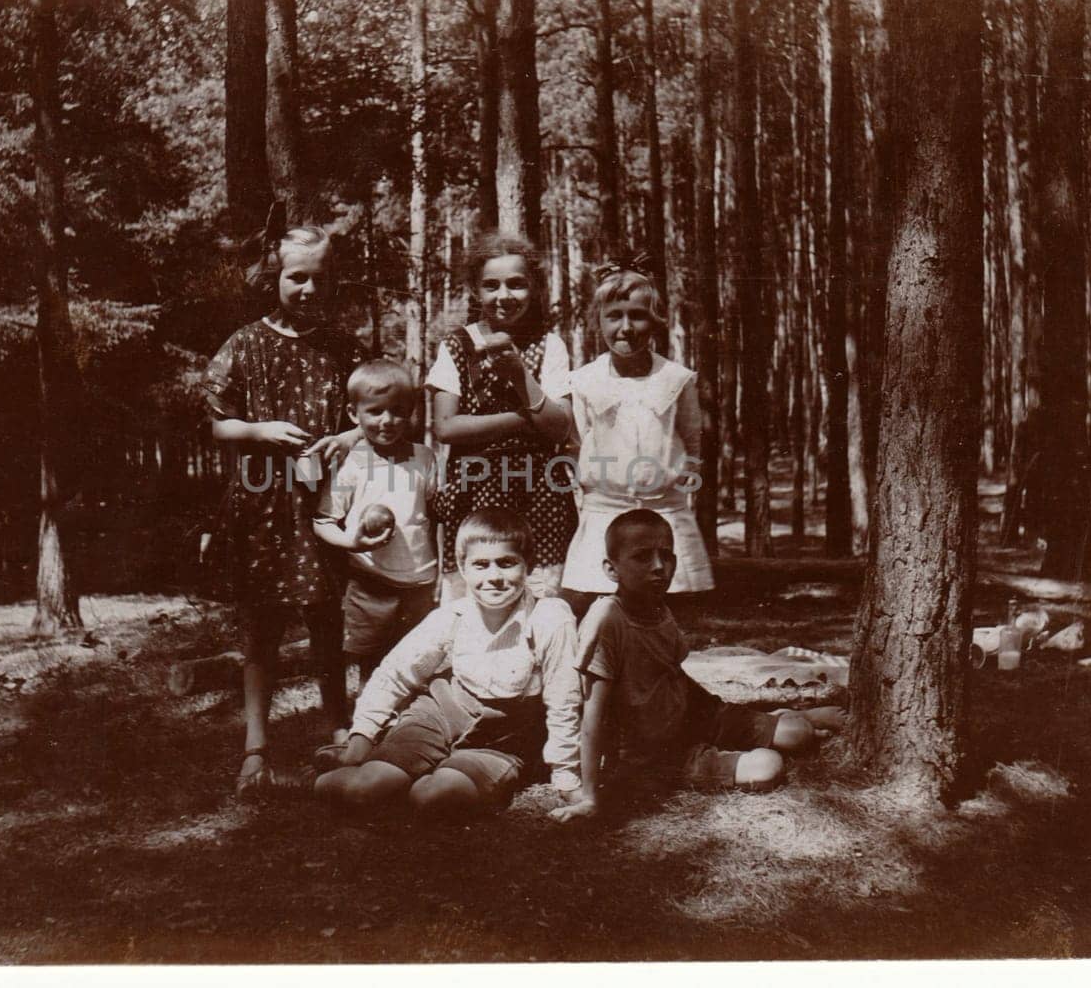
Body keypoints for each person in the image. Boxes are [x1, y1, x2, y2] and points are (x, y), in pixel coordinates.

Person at [550, 510, 845, 822]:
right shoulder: (607, 620)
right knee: (768, 766)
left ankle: (791, 717)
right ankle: (751, 736)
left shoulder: (659, 608)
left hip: (695, 717)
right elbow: (591, 718)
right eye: (641, 557)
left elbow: (673, 677)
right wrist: (590, 797)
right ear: (612, 569)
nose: (658, 567)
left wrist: (715, 714)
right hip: (657, 753)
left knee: (798, 733)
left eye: (666, 556)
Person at [201, 220, 360, 798]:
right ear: (276, 276)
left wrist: (345, 440)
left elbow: (369, 418)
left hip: (326, 501)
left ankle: (339, 730)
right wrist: (262, 430)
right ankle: (256, 749)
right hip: (264, 502)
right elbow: (220, 424)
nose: (308, 290)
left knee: (327, 622)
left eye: (319, 279)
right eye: (297, 277)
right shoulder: (246, 343)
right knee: (262, 627)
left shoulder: (342, 347)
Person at [314, 509, 585, 818]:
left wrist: (566, 776)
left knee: (434, 797)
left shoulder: (549, 616)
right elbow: (395, 674)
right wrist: (360, 739)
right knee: (365, 788)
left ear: (529, 566)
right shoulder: (452, 615)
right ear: (463, 568)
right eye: (481, 565)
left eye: (507, 563)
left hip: (501, 739)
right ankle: (321, 776)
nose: (494, 577)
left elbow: (565, 699)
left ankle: (412, 775)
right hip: (438, 716)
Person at [427, 231, 577, 603]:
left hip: (538, 489)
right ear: (476, 291)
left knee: (538, 596)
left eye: (516, 285)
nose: (504, 296)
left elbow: (561, 427)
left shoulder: (549, 345)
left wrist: (519, 376)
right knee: (477, 594)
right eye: (491, 286)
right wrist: (527, 418)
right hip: (474, 488)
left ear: (535, 288)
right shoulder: (458, 345)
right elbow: (446, 427)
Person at [560, 264, 713, 624]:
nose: (625, 328)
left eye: (638, 316)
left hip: (664, 512)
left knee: (667, 615)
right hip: (604, 513)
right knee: (599, 613)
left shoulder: (675, 379)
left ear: (656, 320)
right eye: (614, 316)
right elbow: (576, 445)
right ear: (598, 321)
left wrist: (674, 485)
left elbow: (691, 443)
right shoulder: (584, 381)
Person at [313, 359, 438, 688]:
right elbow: (324, 521)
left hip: (420, 583)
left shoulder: (424, 457)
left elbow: (435, 515)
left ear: (411, 411)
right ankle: (370, 730)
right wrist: (352, 543)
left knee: (418, 663)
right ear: (354, 414)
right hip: (371, 583)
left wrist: (441, 572)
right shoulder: (351, 463)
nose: (387, 421)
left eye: (398, 410)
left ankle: (410, 731)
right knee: (372, 664)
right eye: (375, 410)